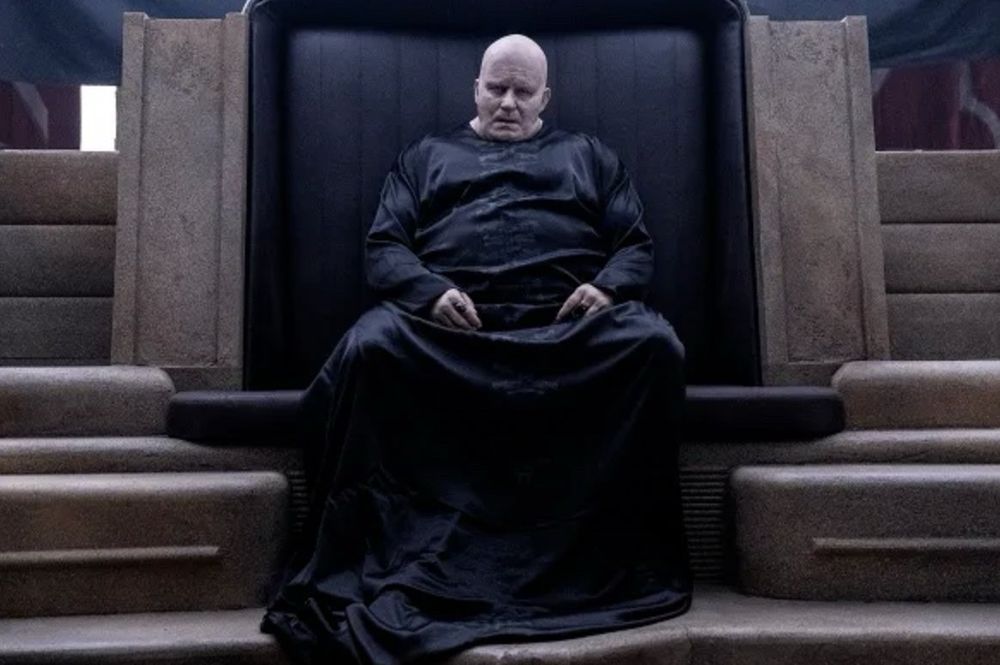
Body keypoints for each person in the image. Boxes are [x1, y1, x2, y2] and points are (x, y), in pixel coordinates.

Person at [262, 34, 690, 665]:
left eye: (523, 92)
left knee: (654, 344)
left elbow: (635, 244)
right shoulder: (425, 157)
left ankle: (605, 555)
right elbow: (385, 247)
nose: (508, 103)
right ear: (476, 89)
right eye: (497, 89)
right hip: (450, 337)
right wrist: (429, 292)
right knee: (371, 345)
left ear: (546, 97)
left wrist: (606, 288)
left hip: (564, 336)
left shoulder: (589, 156)